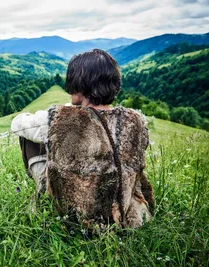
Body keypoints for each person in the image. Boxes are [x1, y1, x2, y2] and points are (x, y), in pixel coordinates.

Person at [11, 49, 154, 229]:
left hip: (75, 216)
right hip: (124, 213)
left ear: (80, 83)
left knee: (30, 139)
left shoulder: (60, 119)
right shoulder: (136, 121)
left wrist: (67, 110)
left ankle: (44, 198)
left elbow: (18, 124)